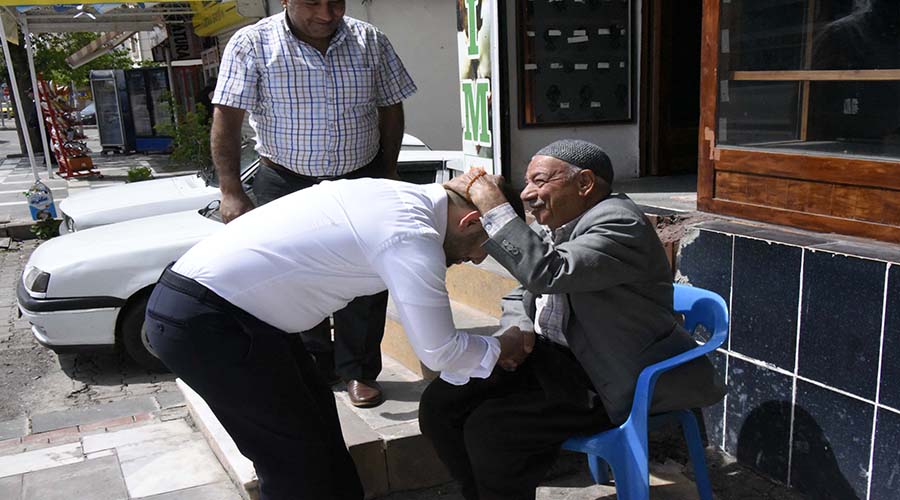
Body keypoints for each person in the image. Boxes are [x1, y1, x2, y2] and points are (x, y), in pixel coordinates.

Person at [145, 177, 529, 500]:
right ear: (471, 221)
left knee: (320, 431)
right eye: (487, 248)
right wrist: (501, 346)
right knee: (294, 461)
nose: (479, 261)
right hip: (209, 322)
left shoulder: (397, 196)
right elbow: (441, 351)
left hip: (235, 315)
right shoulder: (411, 234)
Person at [419, 139, 726, 500]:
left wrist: (492, 204)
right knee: (442, 403)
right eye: (527, 183)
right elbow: (522, 290)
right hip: (551, 361)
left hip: (601, 378)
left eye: (540, 181)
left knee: (494, 429)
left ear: (584, 184)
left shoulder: (618, 222)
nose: (528, 194)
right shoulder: (558, 223)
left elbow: (547, 272)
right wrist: (516, 328)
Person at [210, 0, 418, 407]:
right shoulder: (252, 44)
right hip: (284, 181)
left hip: (361, 176)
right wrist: (231, 190)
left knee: (368, 277)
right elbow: (226, 117)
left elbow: (391, 107)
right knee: (294, 279)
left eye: (336, 2)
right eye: (312, 3)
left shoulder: (370, 40)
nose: (326, 14)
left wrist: (389, 170)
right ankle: (314, 365)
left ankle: (358, 370)